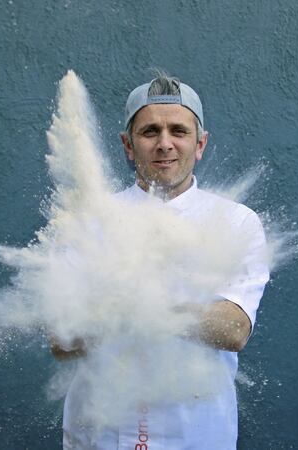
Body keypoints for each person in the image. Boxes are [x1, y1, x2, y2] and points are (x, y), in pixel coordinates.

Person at [52, 72, 270, 449]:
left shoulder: (237, 222)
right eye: (150, 131)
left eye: (179, 132)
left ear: (199, 145)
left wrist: (136, 302)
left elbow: (233, 330)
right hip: (100, 435)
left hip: (197, 435)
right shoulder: (86, 224)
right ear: (128, 144)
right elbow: (63, 340)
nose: (165, 144)